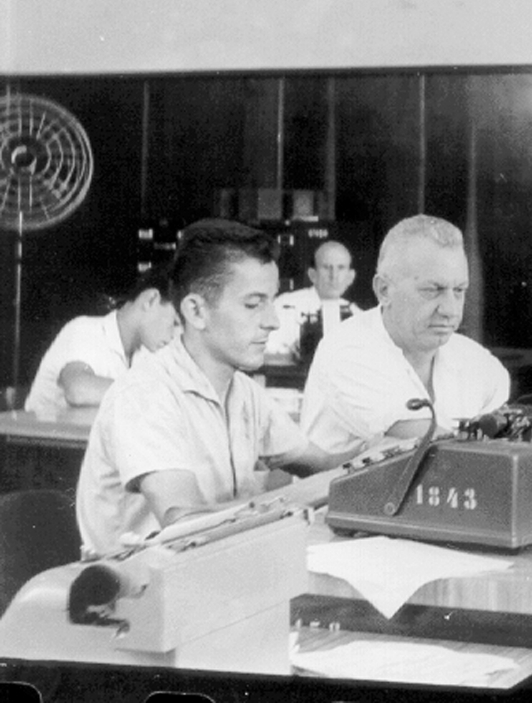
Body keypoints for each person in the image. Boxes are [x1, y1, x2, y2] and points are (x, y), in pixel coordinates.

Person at [76, 219, 344, 556]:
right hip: (136, 590)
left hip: (216, 569)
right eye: (253, 304)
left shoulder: (244, 392)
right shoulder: (146, 394)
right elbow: (185, 523)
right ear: (196, 311)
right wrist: (290, 501)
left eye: (271, 301)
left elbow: (325, 465)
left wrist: (379, 452)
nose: (272, 320)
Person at [301, 215, 510, 459]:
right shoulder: (347, 350)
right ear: (384, 290)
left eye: (459, 291)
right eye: (432, 290)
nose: (451, 310)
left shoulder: (476, 361)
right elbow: (438, 449)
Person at [24, 265, 179, 415]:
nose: (173, 336)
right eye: (175, 323)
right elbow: (78, 390)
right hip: (36, 439)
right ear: (151, 299)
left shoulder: (144, 354)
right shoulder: (85, 330)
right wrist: (152, 393)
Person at [265, 240, 361, 357]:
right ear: (313, 274)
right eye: (326, 267)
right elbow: (266, 348)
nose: (334, 275)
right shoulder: (285, 305)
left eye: (341, 268)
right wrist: (295, 349)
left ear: (350, 277)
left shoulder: (357, 315)